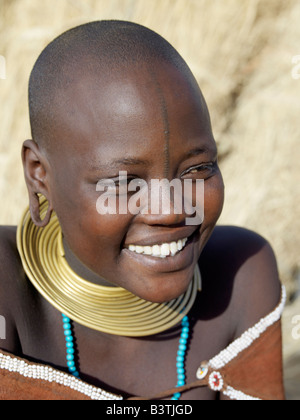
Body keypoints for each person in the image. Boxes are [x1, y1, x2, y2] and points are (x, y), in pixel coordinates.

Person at [0, 20, 285, 400]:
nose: (169, 211)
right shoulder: (6, 287)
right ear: (40, 176)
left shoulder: (241, 275)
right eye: (122, 183)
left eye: (197, 170)